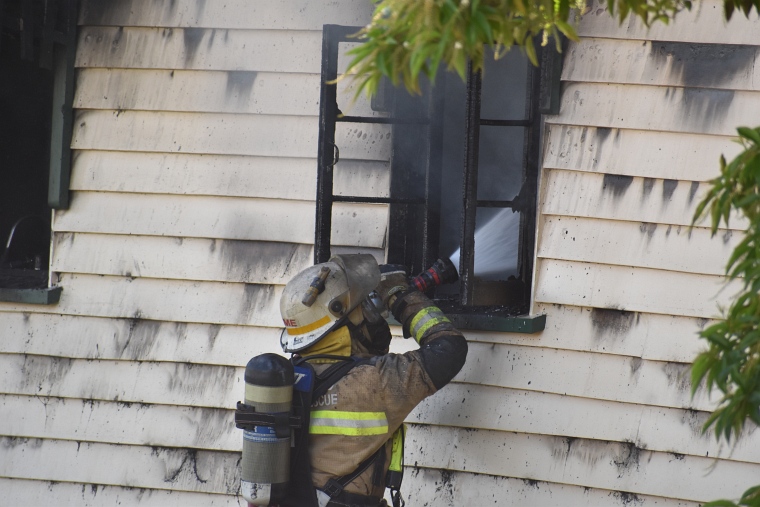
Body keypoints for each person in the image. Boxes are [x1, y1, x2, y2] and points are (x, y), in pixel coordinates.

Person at [278, 254, 468, 507]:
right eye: (363, 308)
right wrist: (401, 296)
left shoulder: (289, 377)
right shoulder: (374, 381)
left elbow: (369, 350)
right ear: (344, 320)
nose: (371, 315)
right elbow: (448, 349)